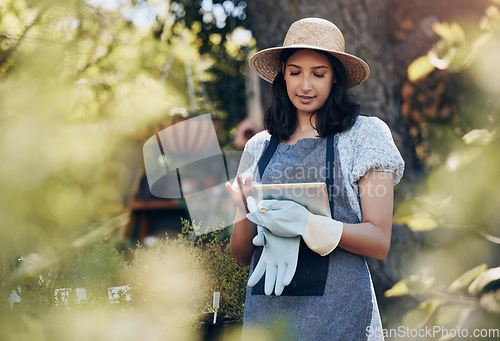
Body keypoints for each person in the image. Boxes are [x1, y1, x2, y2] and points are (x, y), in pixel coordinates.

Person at [225, 18, 404, 340]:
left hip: (341, 315)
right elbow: (241, 255)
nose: (305, 85)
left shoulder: (365, 136)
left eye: (318, 74)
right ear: (282, 76)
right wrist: (242, 210)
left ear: (335, 78)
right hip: (268, 317)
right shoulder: (259, 146)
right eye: (295, 72)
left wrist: (310, 224)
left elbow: (379, 242)